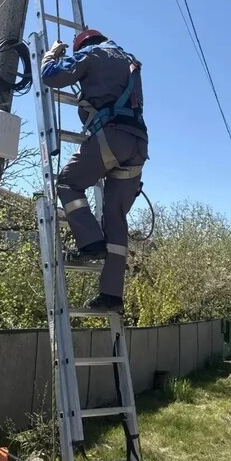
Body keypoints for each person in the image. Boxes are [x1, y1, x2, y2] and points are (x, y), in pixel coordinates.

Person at [41, 28, 148, 314]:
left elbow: (51, 76)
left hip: (111, 137)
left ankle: (90, 242)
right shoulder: (129, 60)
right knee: (115, 216)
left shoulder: (91, 54)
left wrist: (51, 54)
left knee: (67, 183)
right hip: (137, 143)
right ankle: (112, 295)